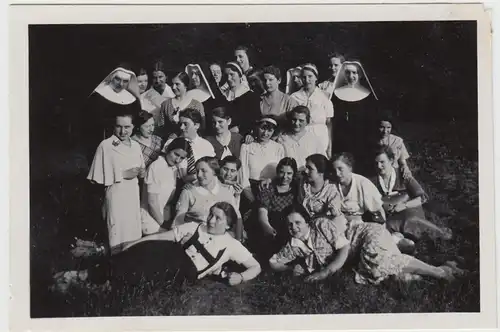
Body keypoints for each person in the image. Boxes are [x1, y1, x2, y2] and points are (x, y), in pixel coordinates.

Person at [52, 202, 261, 293]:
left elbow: (256, 266)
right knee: (140, 253)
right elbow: (163, 237)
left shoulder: (233, 245)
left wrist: (241, 277)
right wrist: (135, 244)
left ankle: (91, 282)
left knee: (150, 269)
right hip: (170, 252)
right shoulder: (195, 226)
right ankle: (79, 275)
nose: (211, 220)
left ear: (229, 224)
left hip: (186, 270)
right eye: (211, 214)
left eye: (217, 217)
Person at [269, 205, 466, 284]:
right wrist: (289, 269)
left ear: (306, 221)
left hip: (364, 235)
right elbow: (273, 261)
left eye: (298, 222)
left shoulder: (320, 225)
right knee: (380, 273)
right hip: (358, 257)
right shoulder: (293, 245)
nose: (294, 227)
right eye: (289, 225)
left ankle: (439, 272)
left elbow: (344, 248)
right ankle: (442, 269)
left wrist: (326, 272)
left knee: (377, 262)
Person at [87, 112, 145, 254]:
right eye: (118, 126)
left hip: (132, 193)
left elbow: (141, 167)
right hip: (117, 193)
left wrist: (141, 172)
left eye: (127, 127)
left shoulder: (136, 146)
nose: (122, 131)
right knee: (117, 229)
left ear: (133, 127)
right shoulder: (106, 145)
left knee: (132, 229)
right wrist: (123, 174)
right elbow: (97, 177)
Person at [371, 146, 453, 242]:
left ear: (391, 160)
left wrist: (404, 205)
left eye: (382, 162)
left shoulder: (404, 175)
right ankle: (401, 238)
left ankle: (438, 232)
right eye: (376, 163)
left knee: (411, 219)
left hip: (409, 208)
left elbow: (422, 198)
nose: (378, 166)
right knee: (386, 227)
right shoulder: (372, 180)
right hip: (390, 215)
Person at [83, 64, 142, 164]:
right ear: (111, 77)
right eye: (118, 79)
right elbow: (89, 121)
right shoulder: (98, 96)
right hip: (100, 140)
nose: (121, 84)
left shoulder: (132, 99)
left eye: (125, 81)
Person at [174, 157, 243, 241]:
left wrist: (237, 240)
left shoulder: (226, 193)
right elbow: (177, 222)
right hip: (194, 239)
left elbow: (237, 217)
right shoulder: (188, 192)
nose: (199, 175)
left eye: (203, 171)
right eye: (197, 171)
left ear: (214, 172)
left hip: (218, 241)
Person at [331, 61, 379, 172]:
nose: (351, 76)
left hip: (362, 141)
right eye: (347, 72)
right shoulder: (337, 94)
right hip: (341, 141)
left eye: (354, 73)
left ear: (360, 74)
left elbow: (372, 123)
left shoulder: (367, 95)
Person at [140, 138, 189, 235]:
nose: (177, 160)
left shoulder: (173, 168)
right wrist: (163, 224)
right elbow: (152, 202)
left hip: (161, 219)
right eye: (176, 154)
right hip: (149, 220)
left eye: (182, 158)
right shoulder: (156, 166)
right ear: (168, 149)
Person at [253, 157, 299, 261]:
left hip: (290, 225)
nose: (285, 177)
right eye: (281, 172)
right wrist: (266, 226)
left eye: (289, 173)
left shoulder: (297, 188)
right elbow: (262, 211)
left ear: (294, 174)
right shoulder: (269, 187)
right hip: (271, 224)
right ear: (277, 172)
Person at [291, 63, 334, 158]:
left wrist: (329, 148)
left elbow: (329, 123)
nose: (307, 80)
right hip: (301, 135)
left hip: (320, 136)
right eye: (304, 77)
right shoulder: (294, 97)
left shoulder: (324, 96)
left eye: (310, 76)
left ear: (316, 78)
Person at [163, 108, 215, 184]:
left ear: (196, 125)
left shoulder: (207, 146)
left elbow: (212, 170)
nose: (181, 127)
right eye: (180, 124)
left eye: (185, 124)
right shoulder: (171, 143)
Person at [240, 117, 285, 202]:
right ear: (257, 127)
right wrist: (250, 196)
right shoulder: (246, 146)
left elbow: (281, 172)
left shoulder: (279, 148)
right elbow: (243, 173)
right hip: (251, 189)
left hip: (272, 188)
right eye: (262, 129)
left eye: (269, 130)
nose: (265, 133)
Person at [156, 72, 205, 140]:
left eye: (177, 84)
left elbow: (202, 128)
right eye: (172, 84)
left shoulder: (197, 105)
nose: (173, 87)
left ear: (185, 85)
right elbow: (161, 128)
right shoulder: (165, 104)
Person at [277, 106, 327, 170]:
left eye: (301, 121)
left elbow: (323, 160)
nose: (296, 123)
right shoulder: (282, 139)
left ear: (307, 122)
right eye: (294, 119)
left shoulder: (314, 139)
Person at [223, 62, 261, 136]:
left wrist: (239, 128)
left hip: (244, 137)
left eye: (232, 74)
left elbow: (255, 120)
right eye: (226, 75)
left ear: (240, 75)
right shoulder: (223, 96)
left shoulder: (251, 96)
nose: (228, 78)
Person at [375, 113, 412, 179]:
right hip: (377, 174)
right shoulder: (372, 141)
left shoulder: (397, 140)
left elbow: (402, 160)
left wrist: (405, 166)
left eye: (388, 127)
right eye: (382, 127)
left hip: (394, 172)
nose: (385, 131)